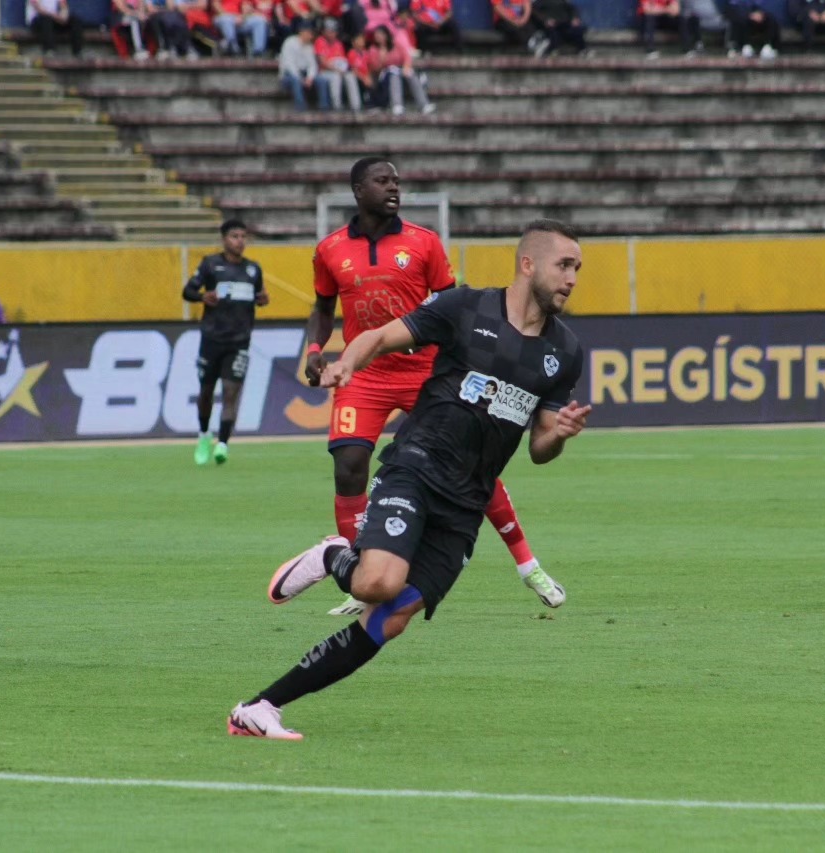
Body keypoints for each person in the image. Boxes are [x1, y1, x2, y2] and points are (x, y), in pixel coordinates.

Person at [227, 219, 591, 740]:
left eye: (577, 268)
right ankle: (335, 555)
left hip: (466, 505)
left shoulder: (565, 351)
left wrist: (561, 434)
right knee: (378, 582)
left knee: (389, 619)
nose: (572, 278)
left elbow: (539, 449)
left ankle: (261, 707)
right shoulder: (466, 307)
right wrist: (345, 364)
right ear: (527, 264)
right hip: (416, 468)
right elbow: (378, 336)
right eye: (564, 265)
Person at [300, 157, 568, 618]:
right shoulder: (330, 249)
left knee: (468, 460)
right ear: (357, 189)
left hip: (425, 368)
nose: (394, 188)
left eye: (397, 181)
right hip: (366, 372)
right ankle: (360, 567)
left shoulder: (423, 243)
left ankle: (529, 565)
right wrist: (314, 350)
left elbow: (451, 304)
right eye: (383, 181)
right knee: (348, 465)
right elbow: (323, 306)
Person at [182, 219, 268, 466]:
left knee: (231, 393)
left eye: (243, 236)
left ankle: (223, 444)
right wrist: (202, 297)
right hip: (212, 339)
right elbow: (187, 291)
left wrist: (262, 299)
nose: (239, 241)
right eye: (234, 236)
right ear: (224, 239)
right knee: (206, 392)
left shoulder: (253, 269)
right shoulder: (211, 265)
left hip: (239, 341)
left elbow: (259, 295)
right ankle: (203, 436)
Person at [367, 24, 433, 115]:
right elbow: (375, 68)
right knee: (394, 74)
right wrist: (382, 58)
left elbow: (406, 57)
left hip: (400, 72)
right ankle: (397, 105)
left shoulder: (396, 44)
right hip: (385, 77)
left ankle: (424, 104)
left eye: (380, 35)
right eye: (376, 36)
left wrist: (406, 67)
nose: (378, 37)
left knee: (410, 73)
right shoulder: (373, 50)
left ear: (386, 35)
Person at [277, 21, 329, 110]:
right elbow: (289, 65)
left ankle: (324, 107)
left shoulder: (310, 47)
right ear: (302, 32)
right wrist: (301, 79)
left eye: (311, 34)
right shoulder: (290, 42)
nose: (311, 36)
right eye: (309, 33)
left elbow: (312, 65)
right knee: (295, 80)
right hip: (289, 75)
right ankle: (300, 107)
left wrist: (309, 78)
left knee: (322, 80)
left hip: (305, 74)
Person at [315, 17, 359, 110]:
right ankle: (337, 106)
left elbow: (342, 60)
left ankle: (356, 106)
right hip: (324, 71)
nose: (331, 33)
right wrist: (337, 69)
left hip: (339, 69)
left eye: (333, 31)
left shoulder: (338, 43)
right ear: (323, 31)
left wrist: (343, 69)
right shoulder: (320, 41)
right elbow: (323, 62)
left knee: (350, 76)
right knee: (336, 77)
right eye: (329, 31)